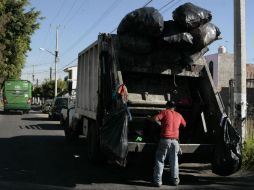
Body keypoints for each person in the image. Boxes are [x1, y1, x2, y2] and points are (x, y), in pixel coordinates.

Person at [149, 100, 186, 187]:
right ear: (175, 107)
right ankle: (175, 181)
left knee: (160, 160)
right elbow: (184, 125)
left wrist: (149, 118)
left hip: (165, 140)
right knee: (174, 162)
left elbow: (155, 119)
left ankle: (158, 182)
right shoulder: (179, 115)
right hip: (175, 142)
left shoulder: (164, 112)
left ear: (167, 106)